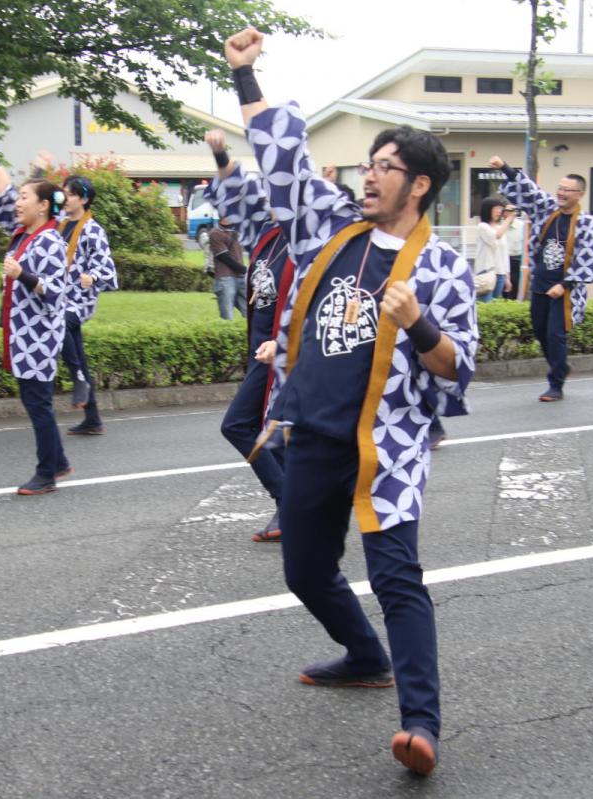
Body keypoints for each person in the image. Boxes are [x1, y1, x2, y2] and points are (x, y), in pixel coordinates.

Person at [226, 26, 478, 777]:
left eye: (388, 168)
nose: (370, 177)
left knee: (398, 575)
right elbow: (283, 160)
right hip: (315, 434)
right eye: (369, 165)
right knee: (305, 570)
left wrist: (418, 321)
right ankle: (364, 653)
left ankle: (422, 726)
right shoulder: (329, 234)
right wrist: (245, 76)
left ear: (420, 185)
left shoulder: (442, 268)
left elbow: (456, 367)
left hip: (389, 447)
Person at [204, 128, 295, 542]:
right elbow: (237, 191)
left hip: (286, 356)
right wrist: (221, 154)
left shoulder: (305, 242)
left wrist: (284, 341)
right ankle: (297, 508)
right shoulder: (266, 234)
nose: (269, 200)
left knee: (238, 425)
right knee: (277, 435)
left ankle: (289, 504)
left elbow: (315, 298)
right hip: (261, 353)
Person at [0, 133, 72, 495]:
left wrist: (23, 276)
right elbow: (2, 191)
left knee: (38, 404)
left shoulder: (48, 240)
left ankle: (47, 472)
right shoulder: (22, 233)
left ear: (44, 206)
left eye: (25, 198)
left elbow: (56, 292)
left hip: (38, 338)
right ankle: (57, 462)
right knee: (35, 402)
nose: (17, 202)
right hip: (22, 335)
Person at [491, 156, 593, 401]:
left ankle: (556, 384)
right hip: (541, 283)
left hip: (565, 289)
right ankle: (561, 367)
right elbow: (530, 191)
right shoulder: (548, 209)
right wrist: (504, 168)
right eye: (559, 188)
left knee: (555, 334)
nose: (561, 193)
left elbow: (587, 258)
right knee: (540, 331)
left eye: (567, 190)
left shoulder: (585, 223)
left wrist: (565, 285)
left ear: (579, 194)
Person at [58, 173, 118, 436]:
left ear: (83, 199)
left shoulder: (93, 229)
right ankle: (93, 419)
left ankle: (78, 380)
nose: (65, 198)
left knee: (58, 324)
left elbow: (108, 269)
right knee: (78, 355)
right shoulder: (60, 224)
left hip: (79, 301)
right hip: (59, 297)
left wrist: (91, 277)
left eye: (69, 194)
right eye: (64, 194)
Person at [473, 197, 512, 302]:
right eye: (496, 208)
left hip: (500, 274)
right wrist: (509, 219)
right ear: (488, 209)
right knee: (486, 304)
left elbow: (504, 254)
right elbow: (496, 236)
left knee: (494, 305)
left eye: (501, 209)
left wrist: (507, 277)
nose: (499, 212)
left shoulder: (500, 227)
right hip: (486, 273)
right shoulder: (482, 226)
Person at [209, 218, 248, 320]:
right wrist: (245, 270)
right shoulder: (215, 233)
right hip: (225, 278)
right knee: (227, 317)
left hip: (240, 277)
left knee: (250, 313)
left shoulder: (238, 230)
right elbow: (224, 257)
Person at [504, 206, 526, 299]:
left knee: (516, 286)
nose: (508, 213)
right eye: (506, 211)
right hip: (504, 260)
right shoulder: (501, 226)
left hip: (518, 259)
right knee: (505, 287)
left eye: (511, 211)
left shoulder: (522, 225)